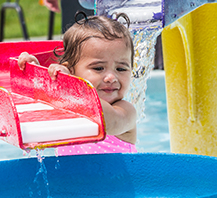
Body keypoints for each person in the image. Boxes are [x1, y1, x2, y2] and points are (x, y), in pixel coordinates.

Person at [18, 12, 137, 156]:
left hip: (117, 179)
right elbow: (37, 105)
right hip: (70, 178)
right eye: (98, 68)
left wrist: (69, 85)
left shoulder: (125, 112)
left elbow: (103, 119)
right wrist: (35, 74)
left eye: (121, 69)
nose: (111, 77)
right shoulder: (68, 105)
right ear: (72, 71)